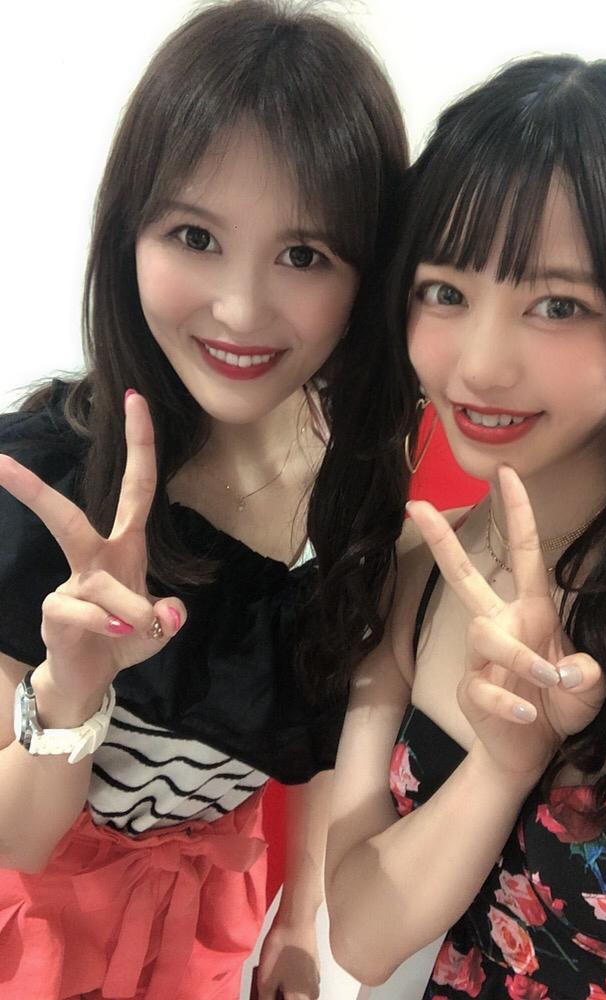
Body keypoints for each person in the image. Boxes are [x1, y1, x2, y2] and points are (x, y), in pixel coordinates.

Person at [0, 2, 407, 998]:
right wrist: (72, 683)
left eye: (303, 255)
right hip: (33, 927)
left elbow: (312, 738)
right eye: (194, 235)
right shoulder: (47, 487)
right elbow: (16, 838)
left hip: (209, 923)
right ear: (128, 234)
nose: (238, 308)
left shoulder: (361, 493)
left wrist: (297, 923)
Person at [325, 54, 606, 998]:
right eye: (445, 291)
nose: (480, 365)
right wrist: (502, 763)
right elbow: (358, 937)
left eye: (556, 305)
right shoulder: (416, 574)